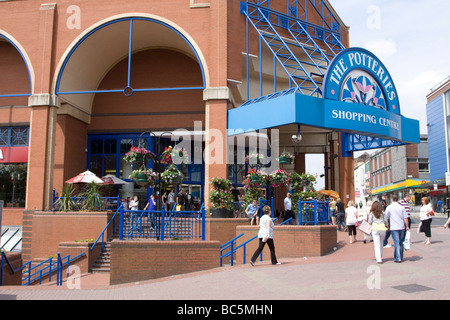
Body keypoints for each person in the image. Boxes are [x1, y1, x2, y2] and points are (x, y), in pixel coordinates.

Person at [385, 194, 409, 263]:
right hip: (401, 227)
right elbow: (405, 218)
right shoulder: (402, 207)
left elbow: (386, 217)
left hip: (394, 227)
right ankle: (401, 256)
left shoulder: (389, 207)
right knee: (401, 242)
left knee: (396, 242)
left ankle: (398, 258)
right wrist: (407, 226)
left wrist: (386, 226)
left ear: (391, 199)